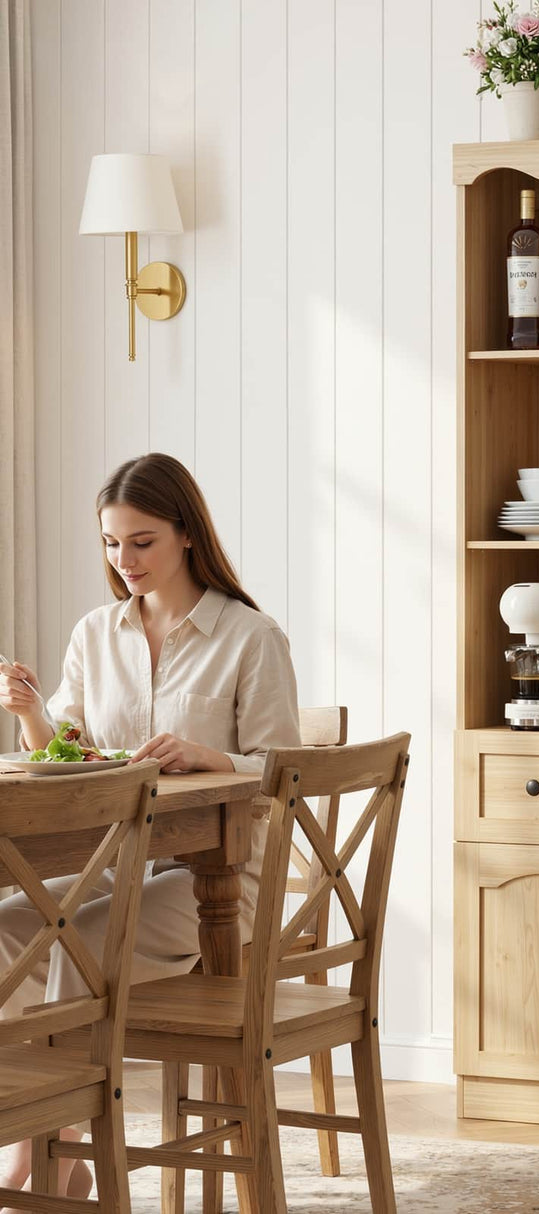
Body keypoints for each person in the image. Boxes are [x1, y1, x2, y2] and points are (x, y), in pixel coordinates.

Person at [0, 453, 300, 1204]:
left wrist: (212, 756)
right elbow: (68, 754)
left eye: (142, 541)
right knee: (7, 929)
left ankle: (55, 1150)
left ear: (186, 535)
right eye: (110, 543)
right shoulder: (95, 634)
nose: (123, 560)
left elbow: (282, 776)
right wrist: (34, 715)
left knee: (81, 938)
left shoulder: (251, 636)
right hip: (114, 864)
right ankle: (24, 1131)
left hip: (223, 883)